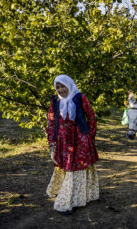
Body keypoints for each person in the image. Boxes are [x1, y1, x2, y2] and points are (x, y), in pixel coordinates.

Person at [46, 74, 99, 215]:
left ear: (69, 85)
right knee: (66, 167)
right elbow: (51, 121)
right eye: (58, 87)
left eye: (63, 86)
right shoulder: (55, 101)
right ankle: (69, 193)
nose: (61, 90)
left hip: (80, 140)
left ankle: (71, 200)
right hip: (63, 141)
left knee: (76, 169)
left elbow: (91, 116)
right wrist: (51, 140)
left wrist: (90, 136)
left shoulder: (79, 97)